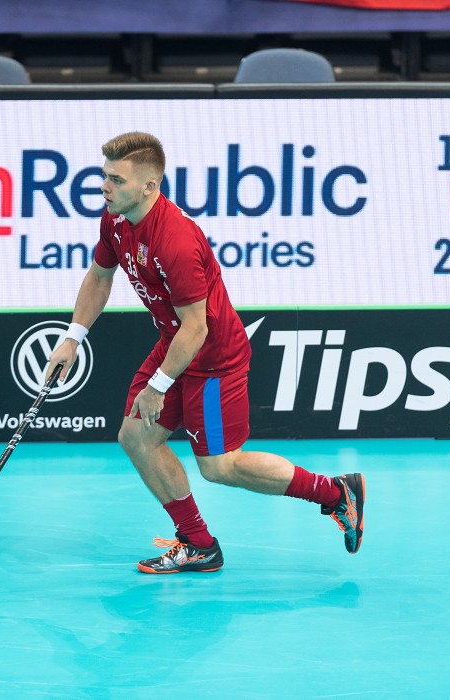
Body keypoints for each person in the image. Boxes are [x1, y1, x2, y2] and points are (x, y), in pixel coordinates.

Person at [47, 132, 364, 574]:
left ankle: (334, 493)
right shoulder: (115, 220)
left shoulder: (175, 241)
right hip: (174, 345)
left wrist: (158, 385)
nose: (105, 187)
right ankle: (198, 544)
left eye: (116, 180)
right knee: (135, 437)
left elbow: (197, 327)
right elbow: (100, 276)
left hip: (213, 359)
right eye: (104, 176)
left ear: (149, 186)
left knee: (220, 466)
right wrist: (72, 336)